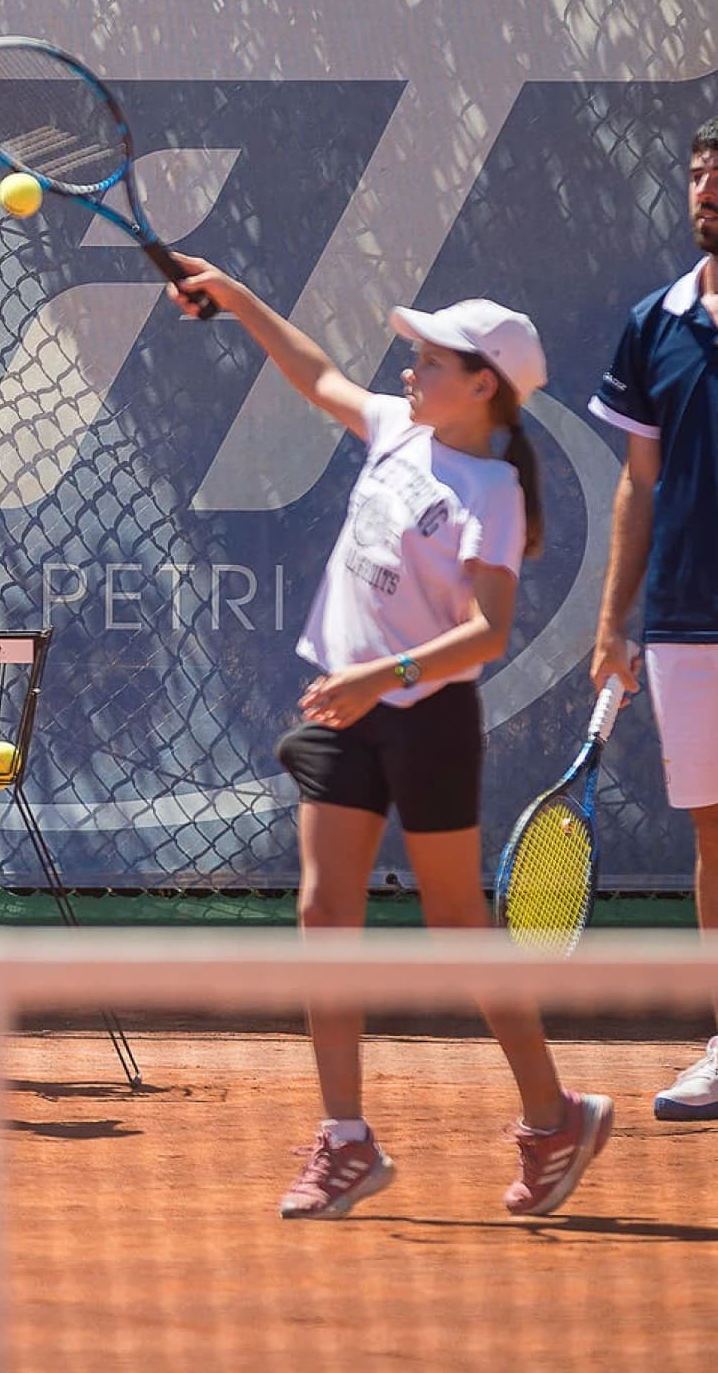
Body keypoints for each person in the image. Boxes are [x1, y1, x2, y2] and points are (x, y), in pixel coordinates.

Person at [170, 253, 612, 1220]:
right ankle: (345, 1140)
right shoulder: (394, 428)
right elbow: (314, 373)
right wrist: (237, 295)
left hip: (422, 719)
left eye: (428, 359)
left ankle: (551, 1116)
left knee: (457, 925)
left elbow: (488, 633)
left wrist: (382, 674)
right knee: (325, 918)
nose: (407, 369)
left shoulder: (490, 491)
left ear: (482, 385)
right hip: (343, 713)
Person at [590, 119, 718, 1120]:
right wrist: (614, 623)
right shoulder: (656, 324)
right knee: (716, 841)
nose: (707, 188)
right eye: (697, 172)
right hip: (684, 619)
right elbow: (638, 484)